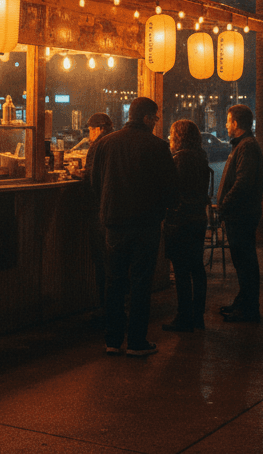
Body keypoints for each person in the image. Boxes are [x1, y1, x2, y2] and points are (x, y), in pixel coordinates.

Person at [88, 97, 178, 356]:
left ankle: (113, 340)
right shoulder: (158, 147)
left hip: (114, 223)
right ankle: (137, 341)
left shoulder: (105, 143)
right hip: (146, 224)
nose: (156, 123)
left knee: (114, 281)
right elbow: (171, 189)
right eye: (156, 118)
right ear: (147, 118)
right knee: (140, 282)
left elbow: (95, 182)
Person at [215, 104, 263, 322]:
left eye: (227, 121)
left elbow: (243, 182)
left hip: (241, 215)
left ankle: (249, 309)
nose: (225, 125)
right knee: (243, 263)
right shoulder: (243, 145)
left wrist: (225, 204)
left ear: (236, 124)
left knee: (245, 263)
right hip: (240, 214)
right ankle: (243, 303)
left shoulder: (246, 147)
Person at [162, 119, 211, 332]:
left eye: (172, 135)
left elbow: (171, 190)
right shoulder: (201, 157)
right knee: (197, 268)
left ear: (179, 137)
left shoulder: (178, 160)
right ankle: (198, 316)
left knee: (181, 271)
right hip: (198, 218)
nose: (170, 139)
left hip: (180, 220)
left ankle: (183, 317)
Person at [80, 112, 115, 308]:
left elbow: (92, 179)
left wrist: (81, 174)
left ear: (100, 129)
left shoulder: (98, 146)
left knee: (102, 263)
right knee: (113, 265)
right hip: (113, 212)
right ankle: (115, 308)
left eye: (91, 129)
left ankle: (104, 308)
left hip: (98, 212)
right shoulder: (116, 143)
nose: (90, 133)